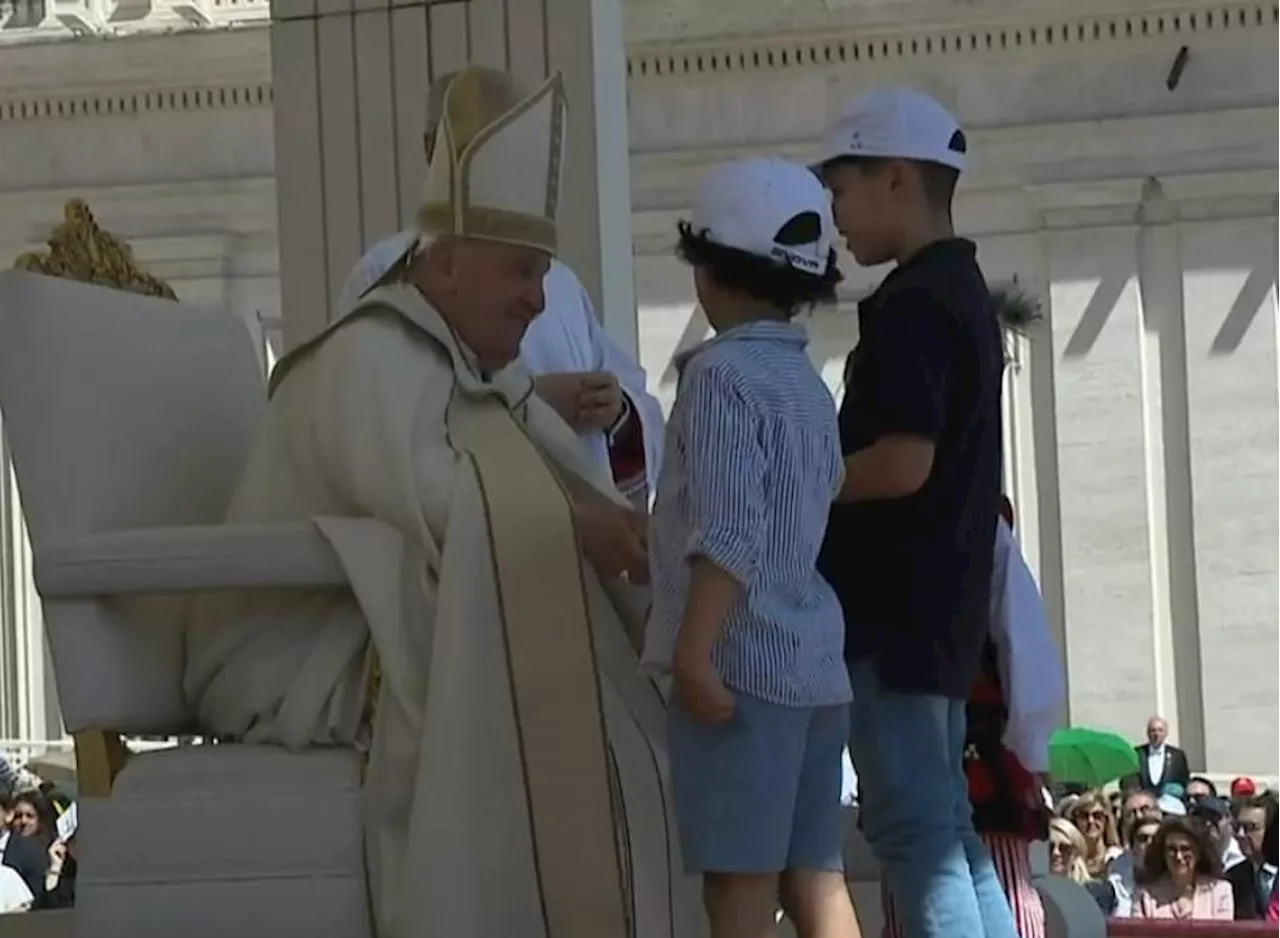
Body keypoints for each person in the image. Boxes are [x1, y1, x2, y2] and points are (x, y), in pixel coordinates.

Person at [184, 66, 700, 938]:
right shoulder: (370, 354)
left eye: (544, 275)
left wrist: (624, 528)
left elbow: (552, 478)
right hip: (300, 655)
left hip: (370, 625)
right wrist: (581, 526)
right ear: (447, 260)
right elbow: (445, 502)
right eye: (521, 274)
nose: (539, 301)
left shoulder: (469, 363)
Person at [641, 157, 858, 938]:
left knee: (738, 885)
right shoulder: (808, 385)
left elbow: (728, 530)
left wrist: (694, 654)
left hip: (738, 669)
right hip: (813, 667)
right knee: (817, 879)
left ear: (709, 272)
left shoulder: (721, 378)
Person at [813, 87, 1010, 938]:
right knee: (946, 833)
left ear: (894, 178)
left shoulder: (917, 306)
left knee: (915, 832)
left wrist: (799, 482)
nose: (836, 216)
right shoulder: (956, 289)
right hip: (935, 616)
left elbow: (902, 460)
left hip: (893, 618)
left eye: (841, 190)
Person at [340, 73, 664, 507]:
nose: (537, 300)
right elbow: (377, 431)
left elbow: (634, 401)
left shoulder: (561, 282)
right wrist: (533, 403)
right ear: (430, 148)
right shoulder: (389, 273)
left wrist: (618, 410)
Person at [881, 495, 1062, 938]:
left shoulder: (981, 523)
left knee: (995, 878)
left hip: (983, 747)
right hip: (906, 729)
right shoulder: (885, 522)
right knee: (911, 877)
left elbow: (1024, 642)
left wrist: (1027, 749)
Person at [1132, 817, 1233, 920]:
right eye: (1171, 849)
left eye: (1185, 849)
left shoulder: (1220, 891)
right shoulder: (1144, 894)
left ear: (1198, 853)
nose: (1178, 856)